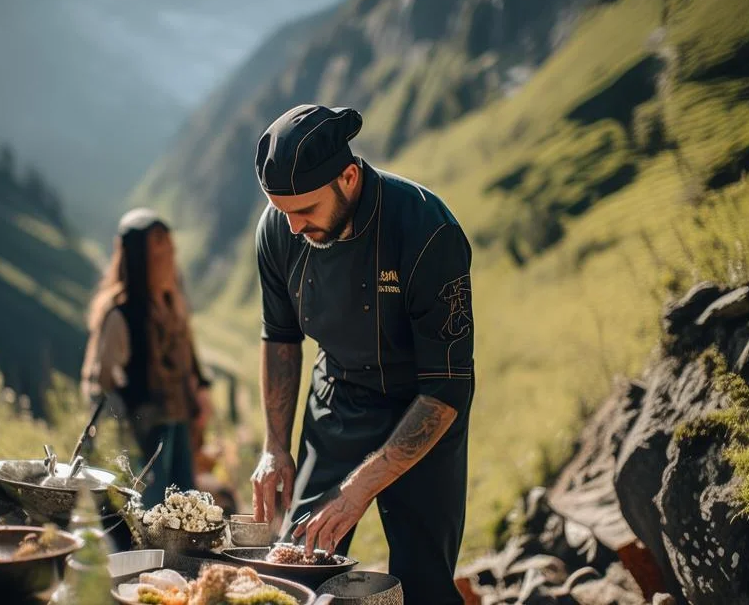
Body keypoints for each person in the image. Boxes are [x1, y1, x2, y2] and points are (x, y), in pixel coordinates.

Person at [249, 105, 475, 604]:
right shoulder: (279, 231)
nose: (291, 226)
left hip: (421, 405)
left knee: (423, 584)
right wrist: (274, 445)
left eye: (304, 211)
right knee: (296, 568)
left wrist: (358, 490)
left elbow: (446, 388)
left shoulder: (426, 230)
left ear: (348, 177)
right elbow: (281, 337)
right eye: (282, 211)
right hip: (339, 398)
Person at [81, 208, 213, 507]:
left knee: (185, 501)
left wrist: (201, 389)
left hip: (179, 421)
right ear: (140, 261)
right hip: (145, 431)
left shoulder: (170, 303)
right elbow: (101, 379)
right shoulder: (121, 315)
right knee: (151, 504)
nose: (168, 260)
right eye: (159, 254)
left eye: (170, 250)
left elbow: (187, 352)